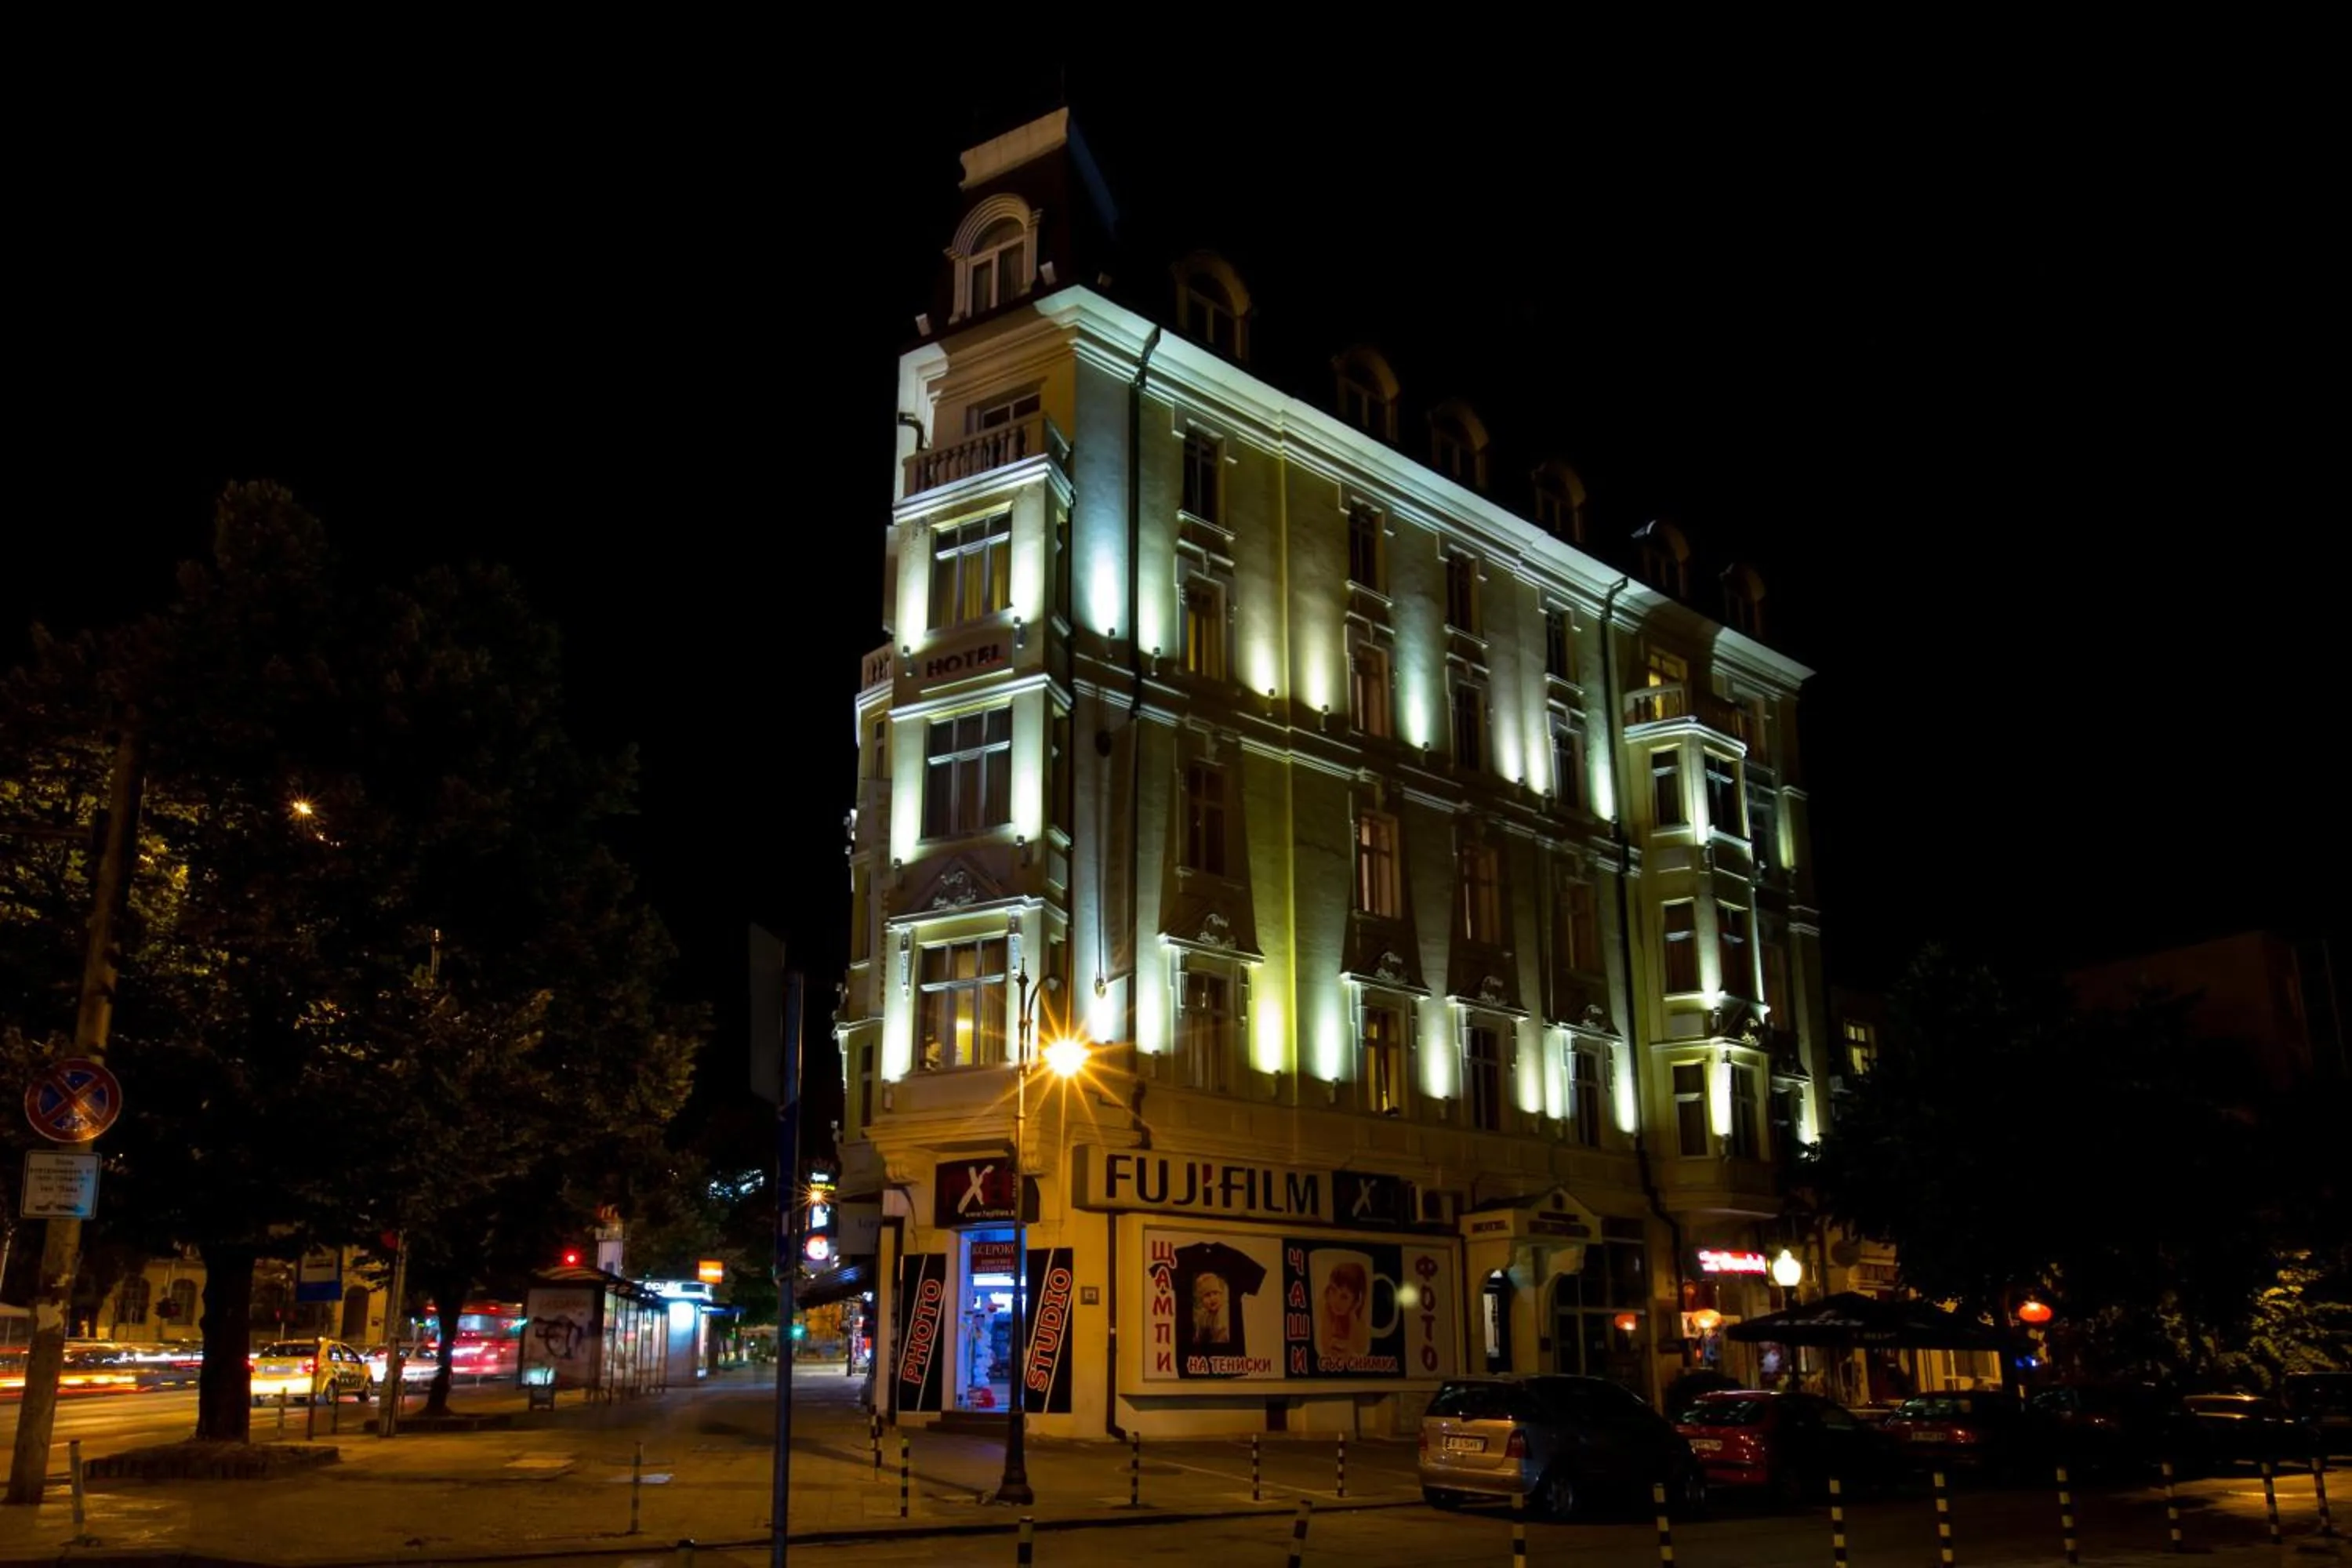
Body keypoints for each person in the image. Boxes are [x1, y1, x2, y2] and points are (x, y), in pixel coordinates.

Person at [1318, 1262, 1371, 1359]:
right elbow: (1325, 1349)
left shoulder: (1359, 1321)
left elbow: (1359, 1351)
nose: (1336, 1301)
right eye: (1333, 1291)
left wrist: (1352, 1317)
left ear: (1356, 1300)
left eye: (1344, 1297)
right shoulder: (1327, 1310)